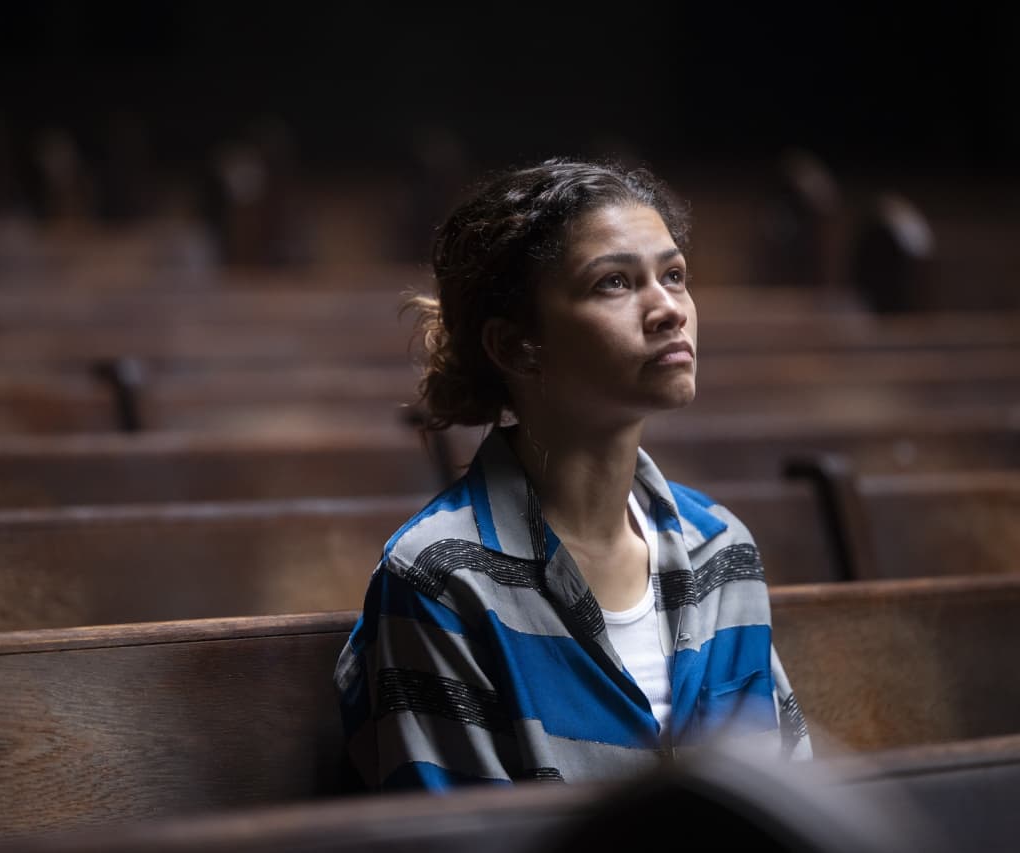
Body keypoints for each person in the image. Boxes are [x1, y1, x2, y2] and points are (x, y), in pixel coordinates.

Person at [334, 156, 812, 792]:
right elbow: (462, 832)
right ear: (514, 345)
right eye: (614, 283)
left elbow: (785, 800)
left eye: (673, 276)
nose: (669, 309)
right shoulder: (441, 577)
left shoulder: (721, 549)